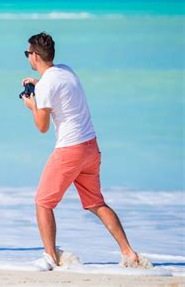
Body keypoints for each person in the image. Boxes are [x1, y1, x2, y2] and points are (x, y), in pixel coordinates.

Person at [21, 32, 152, 270]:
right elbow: (60, 92)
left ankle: (50, 257)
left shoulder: (48, 84)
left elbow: (42, 126)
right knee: (95, 203)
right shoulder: (66, 70)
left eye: (27, 53)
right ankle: (128, 253)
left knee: (43, 202)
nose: (27, 57)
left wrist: (32, 105)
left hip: (70, 150)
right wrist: (38, 88)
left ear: (36, 56)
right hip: (91, 148)